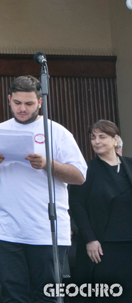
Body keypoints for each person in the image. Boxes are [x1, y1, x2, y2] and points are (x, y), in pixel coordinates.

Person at [0, 75, 87, 302]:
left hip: (47, 232)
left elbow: (80, 176)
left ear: (40, 102)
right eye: (17, 103)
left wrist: (47, 164)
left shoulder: (58, 132)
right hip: (6, 232)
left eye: (29, 103)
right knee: (13, 297)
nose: (22, 109)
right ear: (9, 99)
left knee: (46, 297)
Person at [69, 120, 132, 302]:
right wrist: (90, 239)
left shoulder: (129, 165)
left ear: (115, 140)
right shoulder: (86, 170)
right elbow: (77, 205)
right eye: (93, 137)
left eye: (102, 137)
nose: (96, 141)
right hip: (102, 247)